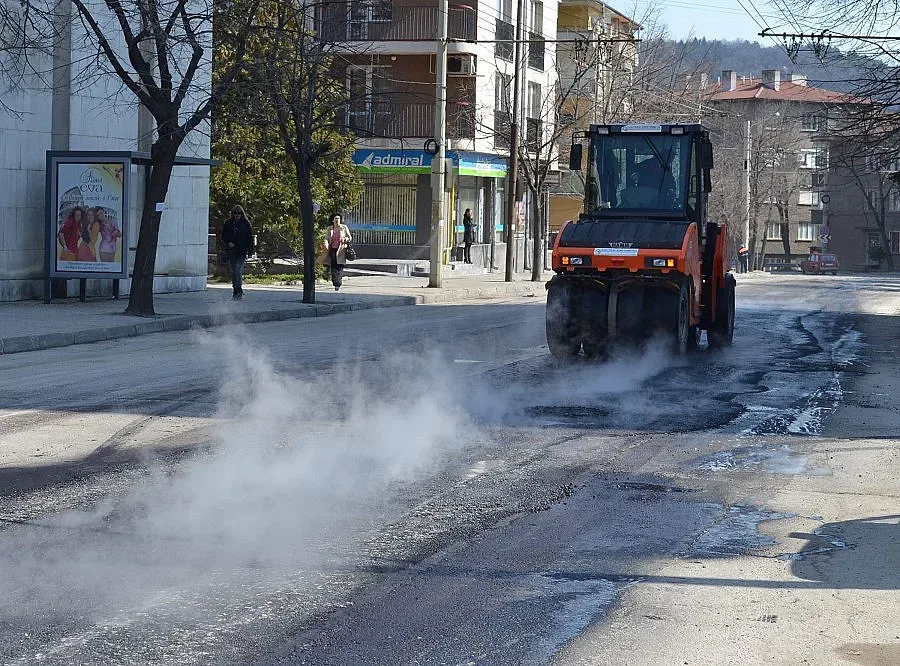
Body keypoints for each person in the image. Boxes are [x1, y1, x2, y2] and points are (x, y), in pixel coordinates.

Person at [221, 204, 254, 300]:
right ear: (232, 214)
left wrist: (250, 252)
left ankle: (238, 290)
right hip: (232, 251)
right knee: (234, 271)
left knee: (237, 269)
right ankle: (236, 290)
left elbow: (249, 239)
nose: (237, 215)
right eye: (235, 213)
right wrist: (228, 242)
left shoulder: (245, 224)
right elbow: (224, 236)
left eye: (239, 213)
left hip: (241, 251)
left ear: (242, 214)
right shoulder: (229, 223)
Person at [323, 212, 352, 291]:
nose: (337, 220)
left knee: (340, 267)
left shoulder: (344, 227)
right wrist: (326, 244)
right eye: (335, 219)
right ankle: (335, 282)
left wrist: (345, 239)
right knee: (333, 266)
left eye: (338, 219)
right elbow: (326, 238)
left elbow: (349, 237)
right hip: (332, 249)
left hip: (341, 250)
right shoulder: (329, 229)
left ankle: (338, 283)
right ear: (332, 220)